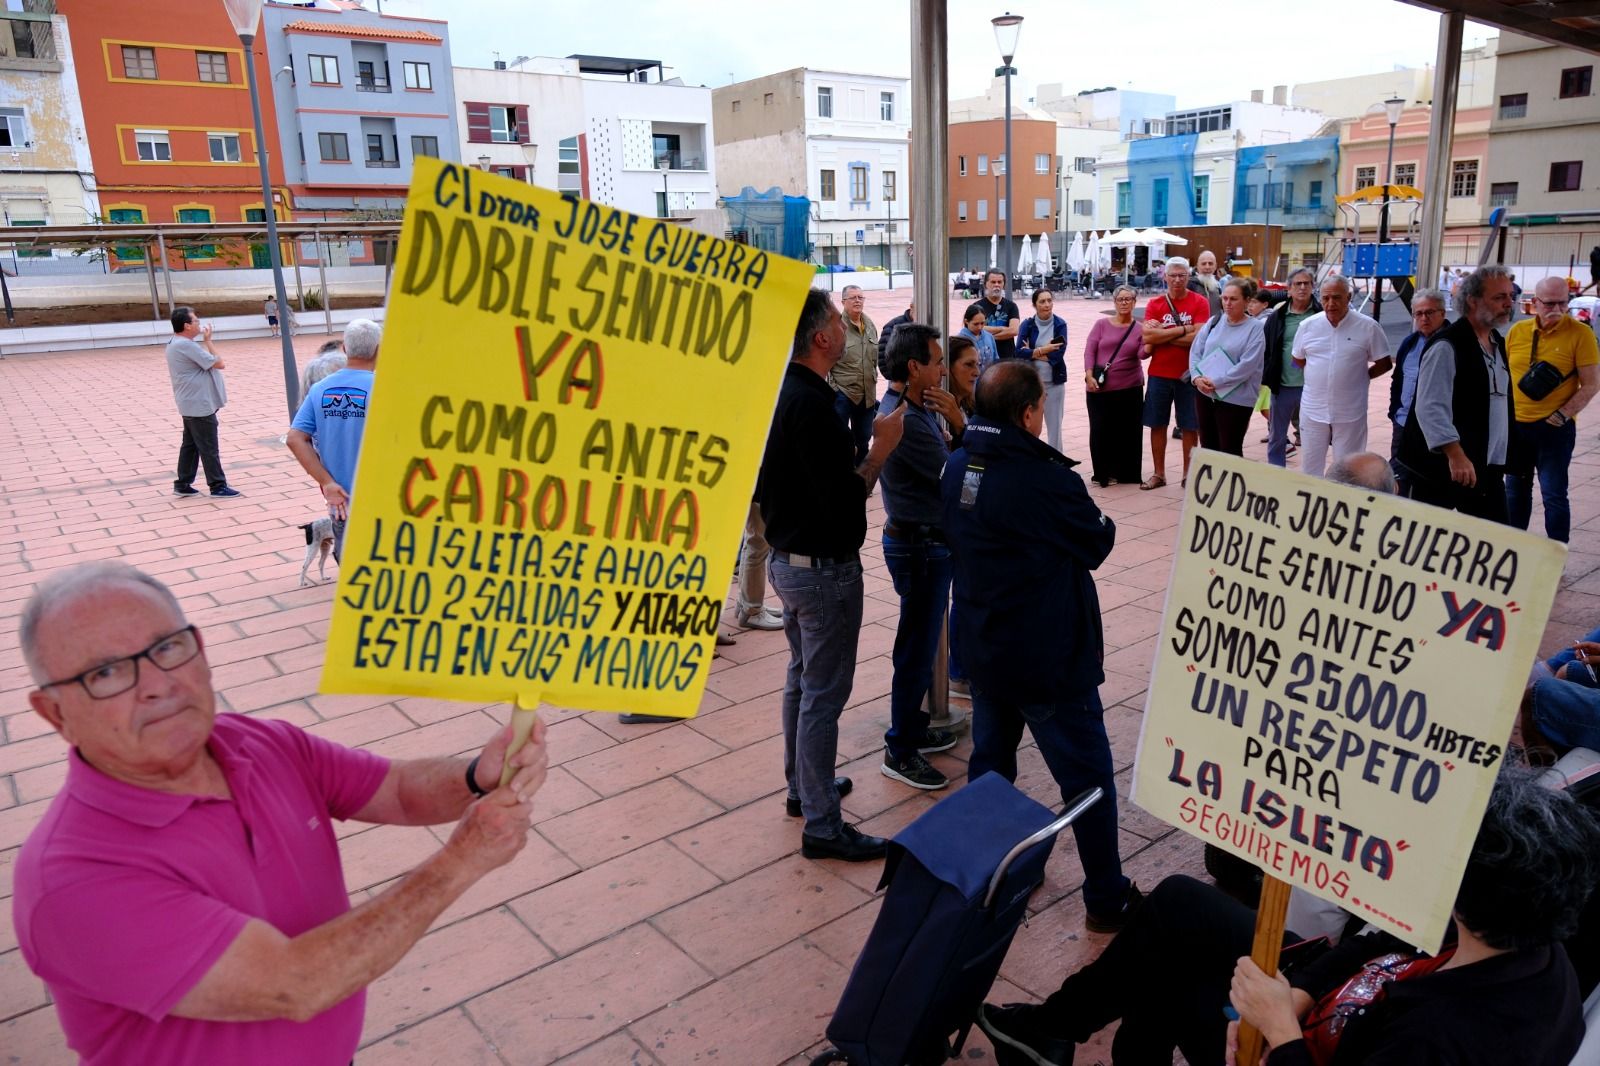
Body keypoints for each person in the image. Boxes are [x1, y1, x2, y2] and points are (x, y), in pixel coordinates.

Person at [12, 562, 550, 1064]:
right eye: (105, 673)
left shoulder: (255, 742)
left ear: (199, 651)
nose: (157, 684)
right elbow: (293, 984)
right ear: (55, 712)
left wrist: (476, 774)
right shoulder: (72, 877)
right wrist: (461, 860)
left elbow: (396, 790)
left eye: (168, 648)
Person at [976, 767, 1599, 1066]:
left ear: (1471, 893)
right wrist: (1299, 991)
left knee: (1165, 985)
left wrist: (1280, 1034)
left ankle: (1059, 1035)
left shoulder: (1445, 1040)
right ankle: (1053, 1029)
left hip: (1312, 1049)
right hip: (1326, 1002)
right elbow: (1380, 938)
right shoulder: (1519, 937)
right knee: (1176, 903)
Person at [940, 361, 1139, 933]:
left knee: (991, 766)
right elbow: (1098, 539)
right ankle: (1105, 898)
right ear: (1029, 413)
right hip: (1049, 658)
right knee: (1087, 780)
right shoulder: (1046, 479)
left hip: (985, 648)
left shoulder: (957, 466)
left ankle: (991, 876)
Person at [759, 289, 906, 861]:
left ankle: (805, 788)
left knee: (802, 678)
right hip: (821, 571)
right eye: (836, 324)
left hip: (787, 561)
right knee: (823, 693)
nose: (846, 330)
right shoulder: (813, 405)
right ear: (822, 338)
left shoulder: (783, 392)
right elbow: (844, 500)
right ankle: (821, 823)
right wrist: (879, 450)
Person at [877, 323, 965, 791]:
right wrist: (962, 424)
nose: (942, 370)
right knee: (915, 649)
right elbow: (960, 476)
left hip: (924, 540)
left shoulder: (914, 406)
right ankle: (900, 748)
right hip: (919, 545)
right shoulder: (907, 419)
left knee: (920, 641)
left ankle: (910, 729)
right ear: (914, 368)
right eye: (936, 362)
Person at [1397, 265, 1517, 522]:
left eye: (1510, 295)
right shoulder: (1447, 345)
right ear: (1473, 301)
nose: (1509, 303)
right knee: (1428, 541)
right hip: (1447, 467)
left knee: (1494, 542)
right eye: (1499, 297)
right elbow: (1430, 406)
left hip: (1486, 466)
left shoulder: (1496, 340)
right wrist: (1455, 454)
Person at [1504, 276, 1599, 542]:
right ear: (1534, 303)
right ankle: (1514, 548)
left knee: (1554, 493)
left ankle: (1557, 553)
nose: (1556, 309)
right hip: (1517, 426)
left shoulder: (1581, 334)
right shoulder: (1518, 332)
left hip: (1554, 429)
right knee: (1515, 490)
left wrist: (1561, 416)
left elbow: (1591, 384)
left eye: (1562, 302)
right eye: (1549, 303)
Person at [287, 318, 380, 562]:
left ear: (345, 349)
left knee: (351, 567)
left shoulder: (319, 389)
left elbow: (295, 439)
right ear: (379, 349)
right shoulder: (386, 389)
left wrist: (327, 483)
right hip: (382, 502)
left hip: (342, 502)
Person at [1290, 276, 1392, 478]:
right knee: (1310, 467)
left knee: (1348, 469)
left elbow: (1385, 363)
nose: (1330, 304)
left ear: (1349, 297)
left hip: (1350, 410)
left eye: (1337, 298)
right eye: (1326, 298)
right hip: (1312, 408)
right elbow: (1297, 359)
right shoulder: (1308, 326)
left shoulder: (1368, 327)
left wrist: (1361, 377)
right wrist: (1317, 375)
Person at [1139, 257, 1209, 490]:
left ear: (1188, 277)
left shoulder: (1200, 302)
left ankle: (1189, 474)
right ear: (1165, 277)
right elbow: (1148, 337)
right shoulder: (1155, 304)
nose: (1177, 279)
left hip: (1189, 374)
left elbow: (1200, 338)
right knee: (1157, 424)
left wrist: (1165, 333)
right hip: (1159, 373)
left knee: (1190, 426)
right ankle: (1159, 474)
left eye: (1182, 275)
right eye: (1173, 275)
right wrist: (1185, 330)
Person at [166, 306, 240, 499]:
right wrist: (209, 341)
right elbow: (219, 363)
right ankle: (217, 485)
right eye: (196, 321)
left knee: (190, 445)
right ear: (187, 326)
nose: (200, 323)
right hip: (199, 404)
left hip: (190, 402)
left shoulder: (176, 342)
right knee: (208, 446)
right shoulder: (186, 345)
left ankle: (182, 483)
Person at [1189, 278, 1267, 457]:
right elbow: (1196, 352)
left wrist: (1216, 382)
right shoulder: (1214, 321)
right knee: (1208, 447)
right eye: (1224, 298)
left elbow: (1247, 366)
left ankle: (1231, 485)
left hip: (1236, 399)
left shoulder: (1256, 329)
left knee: (1230, 449)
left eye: (1233, 299)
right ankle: (1211, 485)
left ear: (1247, 301)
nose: (1227, 303)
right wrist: (1196, 378)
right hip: (1205, 394)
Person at [1386, 288, 1450, 494]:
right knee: (1397, 479)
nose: (1424, 318)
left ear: (1443, 313)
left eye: (1430, 312)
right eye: (1418, 313)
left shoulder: (1454, 344)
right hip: (1403, 424)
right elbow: (1398, 381)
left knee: (1430, 484)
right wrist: (1394, 412)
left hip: (1433, 430)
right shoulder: (1410, 342)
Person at [1082, 285, 1145, 487]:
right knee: (1100, 430)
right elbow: (1089, 351)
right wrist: (1088, 375)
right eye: (1120, 299)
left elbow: (1143, 354)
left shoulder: (1140, 328)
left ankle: (1127, 473)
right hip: (1099, 387)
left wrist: (1154, 337)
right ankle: (1103, 472)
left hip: (1130, 387)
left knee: (1128, 431)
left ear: (1135, 303)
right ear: (1114, 302)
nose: (1124, 302)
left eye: (1128, 299)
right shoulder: (1101, 324)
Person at [1261, 269, 1320, 467]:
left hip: (1312, 387)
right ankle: (1276, 477)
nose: (1302, 287)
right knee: (1277, 436)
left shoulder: (1321, 314)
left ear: (1313, 287)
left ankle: (1311, 478)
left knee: (1314, 436)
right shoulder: (1278, 316)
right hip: (1283, 385)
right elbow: (1266, 348)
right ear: (1289, 289)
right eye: (1297, 284)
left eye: (1306, 283)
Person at [830, 284, 879, 464]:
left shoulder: (870, 325)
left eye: (860, 297)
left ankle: (861, 480)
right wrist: (834, 390)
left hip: (867, 393)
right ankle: (841, 478)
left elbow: (875, 358)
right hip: (843, 393)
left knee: (864, 440)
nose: (858, 300)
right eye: (853, 298)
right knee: (839, 439)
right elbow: (826, 360)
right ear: (843, 302)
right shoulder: (835, 327)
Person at [1017, 288, 1070, 451]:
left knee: (1055, 429)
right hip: (1032, 385)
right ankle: (1032, 462)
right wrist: (1046, 349)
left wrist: (1033, 351)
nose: (1047, 305)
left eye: (1049, 300)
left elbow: (1058, 355)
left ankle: (1056, 464)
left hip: (1054, 383)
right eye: (1042, 301)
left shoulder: (1060, 324)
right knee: (1030, 427)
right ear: (1035, 305)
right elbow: (1018, 352)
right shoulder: (1027, 324)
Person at [968, 268, 1021, 361]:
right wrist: (1002, 329)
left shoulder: (1011, 306)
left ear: (1003, 284)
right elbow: (976, 328)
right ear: (986, 284)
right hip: (983, 358)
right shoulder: (976, 307)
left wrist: (988, 337)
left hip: (1007, 357)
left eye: (999, 282)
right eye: (993, 282)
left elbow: (1014, 330)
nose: (996, 285)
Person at [877, 300, 914, 375]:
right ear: (911, 307)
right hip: (900, 381)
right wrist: (898, 380)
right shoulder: (893, 327)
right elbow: (883, 359)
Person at [960, 305, 1000, 370]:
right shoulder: (961, 340)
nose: (979, 327)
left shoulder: (989, 336)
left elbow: (996, 359)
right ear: (966, 321)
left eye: (982, 323)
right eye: (976, 324)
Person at [1192, 249, 1224, 317]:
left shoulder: (1217, 285)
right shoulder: (1190, 285)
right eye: (1203, 264)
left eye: (1210, 263)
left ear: (1215, 266)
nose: (1207, 267)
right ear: (1197, 266)